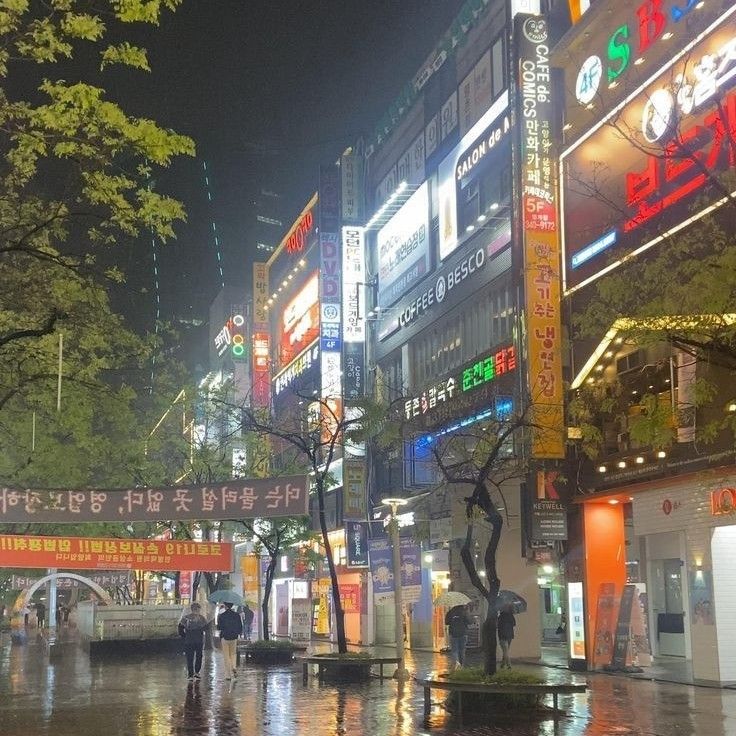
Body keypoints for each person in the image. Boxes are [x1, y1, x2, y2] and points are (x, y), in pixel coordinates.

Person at [178, 603, 210, 681]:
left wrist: (184, 636)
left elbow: (180, 627)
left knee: (190, 658)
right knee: (198, 656)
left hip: (189, 641)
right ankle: (196, 672)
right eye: (198, 609)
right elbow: (206, 628)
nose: (198, 611)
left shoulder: (186, 618)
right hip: (198, 640)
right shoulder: (201, 618)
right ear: (196, 609)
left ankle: (191, 674)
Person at [216, 603, 242, 680]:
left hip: (225, 637)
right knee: (233, 654)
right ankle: (234, 667)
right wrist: (237, 633)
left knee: (226, 656)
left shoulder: (222, 615)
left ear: (226, 606)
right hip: (234, 637)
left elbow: (219, 627)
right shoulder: (237, 615)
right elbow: (240, 627)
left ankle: (228, 675)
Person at [445, 603, 472, 668]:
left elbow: (446, 622)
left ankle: (456, 666)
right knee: (462, 650)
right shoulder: (464, 612)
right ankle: (461, 665)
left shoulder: (450, 612)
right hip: (463, 633)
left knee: (454, 651)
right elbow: (469, 621)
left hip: (453, 634)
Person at [497, 603, 516, 669]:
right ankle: (502, 664)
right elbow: (514, 624)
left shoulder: (501, 616)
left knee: (505, 651)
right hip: (509, 635)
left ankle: (509, 665)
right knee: (506, 651)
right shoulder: (511, 615)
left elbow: (497, 625)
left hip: (502, 635)